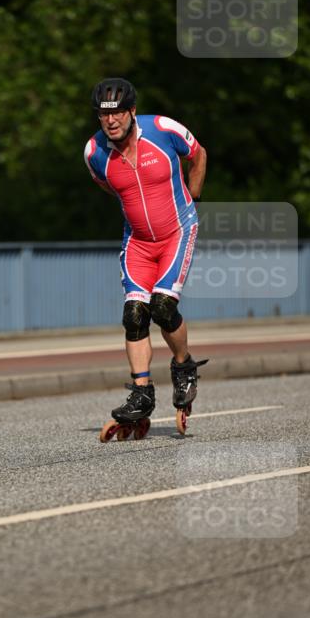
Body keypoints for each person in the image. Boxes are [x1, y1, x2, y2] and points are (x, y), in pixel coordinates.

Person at [84, 77, 208, 428]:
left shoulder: (163, 129)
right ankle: (142, 393)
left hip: (177, 232)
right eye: (103, 114)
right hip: (137, 241)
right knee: (135, 314)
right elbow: (108, 186)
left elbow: (198, 155)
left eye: (118, 113)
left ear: (132, 111)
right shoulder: (94, 153)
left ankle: (183, 366)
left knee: (163, 307)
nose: (111, 120)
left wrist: (194, 197)